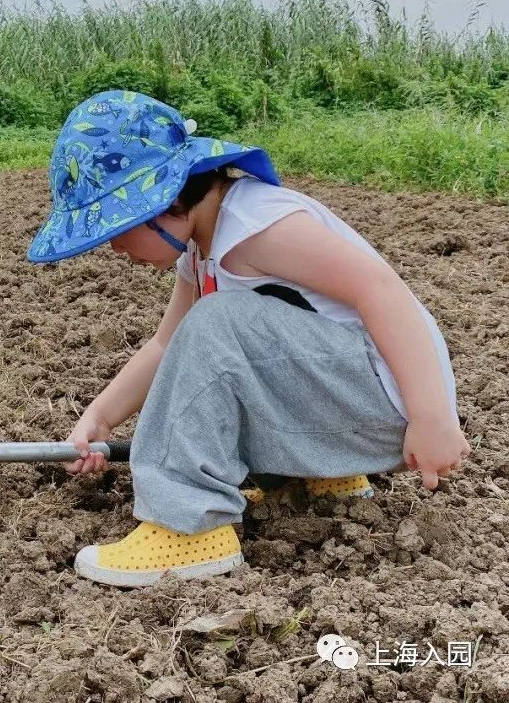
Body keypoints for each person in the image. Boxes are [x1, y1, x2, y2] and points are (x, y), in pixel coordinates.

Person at [27, 90, 468, 588]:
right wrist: (100, 417)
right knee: (213, 347)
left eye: (117, 228)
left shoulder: (256, 225)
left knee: (222, 325)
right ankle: (323, 481)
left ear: (167, 200)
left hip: (391, 403)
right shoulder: (201, 251)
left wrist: (433, 418)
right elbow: (166, 345)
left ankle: (187, 528)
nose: (114, 247)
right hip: (348, 402)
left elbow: (382, 291)